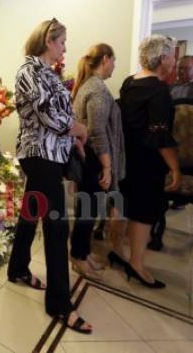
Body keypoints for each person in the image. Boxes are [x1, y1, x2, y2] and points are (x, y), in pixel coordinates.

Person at [8, 18, 92, 334]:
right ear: (47, 40)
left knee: (30, 213)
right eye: (61, 42)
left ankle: (17, 268)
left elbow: (63, 115)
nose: (64, 48)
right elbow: (51, 117)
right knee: (57, 227)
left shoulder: (48, 74)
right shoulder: (28, 71)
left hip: (52, 154)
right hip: (38, 155)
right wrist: (79, 129)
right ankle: (60, 304)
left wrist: (76, 140)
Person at [119, 34, 180, 288]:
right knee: (143, 214)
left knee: (131, 207)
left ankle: (126, 255)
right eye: (173, 56)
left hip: (126, 157)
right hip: (147, 162)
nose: (174, 61)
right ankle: (137, 264)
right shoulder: (159, 91)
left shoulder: (128, 83)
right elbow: (160, 135)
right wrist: (175, 168)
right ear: (163, 58)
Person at [69, 44, 126, 278]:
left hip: (88, 157)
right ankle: (78, 257)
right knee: (88, 211)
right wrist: (107, 166)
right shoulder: (98, 90)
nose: (114, 65)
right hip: (94, 158)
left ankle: (82, 252)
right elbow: (97, 132)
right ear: (105, 59)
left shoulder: (87, 86)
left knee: (88, 210)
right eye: (114, 60)